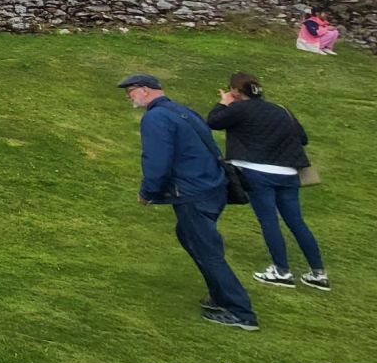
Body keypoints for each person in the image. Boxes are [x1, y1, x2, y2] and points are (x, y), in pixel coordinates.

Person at [118, 74, 258, 330]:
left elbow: (157, 160)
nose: (129, 97)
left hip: (193, 192)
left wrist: (148, 192)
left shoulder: (155, 118)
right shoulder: (182, 111)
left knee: (207, 250)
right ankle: (220, 295)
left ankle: (240, 311)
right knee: (188, 236)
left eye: (130, 92)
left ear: (145, 90)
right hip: (212, 187)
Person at [207, 73, 328, 291]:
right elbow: (302, 138)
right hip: (288, 172)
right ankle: (319, 273)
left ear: (235, 91)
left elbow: (213, 121)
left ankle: (282, 271)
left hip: (257, 172)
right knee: (296, 221)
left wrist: (223, 103)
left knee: (269, 221)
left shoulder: (239, 109)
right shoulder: (281, 110)